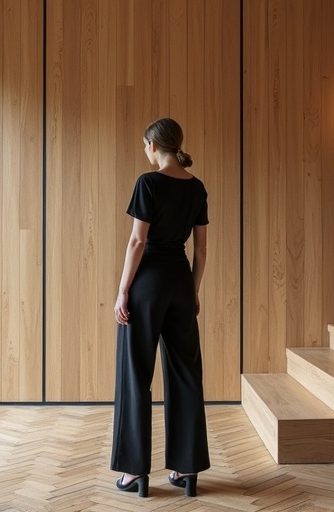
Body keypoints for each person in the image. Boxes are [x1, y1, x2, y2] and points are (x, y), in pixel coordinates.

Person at [110, 118, 211, 498]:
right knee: (186, 372)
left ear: (153, 145)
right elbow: (201, 249)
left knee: (136, 373)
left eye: (144, 145)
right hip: (180, 281)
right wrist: (193, 290)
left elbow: (138, 242)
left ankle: (134, 472)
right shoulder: (196, 187)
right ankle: (187, 469)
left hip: (148, 282)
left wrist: (123, 292)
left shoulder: (148, 183)